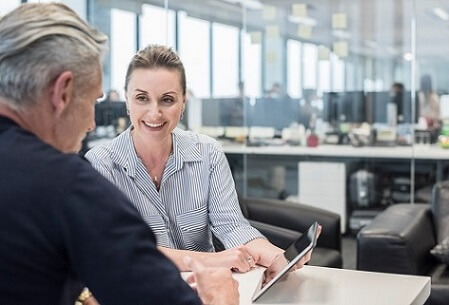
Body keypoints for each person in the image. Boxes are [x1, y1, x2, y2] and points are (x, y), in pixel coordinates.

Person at [0, 3, 238, 305]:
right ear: (62, 92)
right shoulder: (71, 187)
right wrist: (221, 298)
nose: (91, 123)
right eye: (92, 100)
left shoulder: (206, 152)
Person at [86, 45, 318, 272]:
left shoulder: (208, 153)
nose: (154, 113)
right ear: (127, 101)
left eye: (167, 100)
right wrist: (210, 261)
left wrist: (277, 257)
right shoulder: (102, 164)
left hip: (211, 290)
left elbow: (232, 226)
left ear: (183, 103)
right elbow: (122, 250)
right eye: (141, 98)